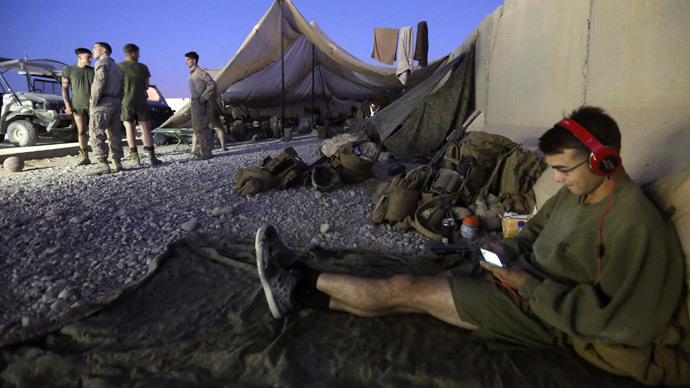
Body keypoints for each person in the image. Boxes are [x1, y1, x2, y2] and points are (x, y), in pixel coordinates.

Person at [254, 106, 687, 384]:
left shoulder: (634, 224)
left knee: (409, 288)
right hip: (519, 282)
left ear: (603, 160)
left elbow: (624, 324)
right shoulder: (579, 195)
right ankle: (298, 292)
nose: (556, 179)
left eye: (563, 168)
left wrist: (527, 285)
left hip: (544, 315)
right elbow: (533, 235)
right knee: (415, 282)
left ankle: (296, 279)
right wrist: (501, 252)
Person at [118, 43, 162, 166]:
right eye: (138, 53)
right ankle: (152, 157)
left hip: (126, 102)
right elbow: (147, 85)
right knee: (146, 130)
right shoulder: (143, 67)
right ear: (133, 53)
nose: (139, 55)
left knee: (130, 130)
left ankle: (134, 158)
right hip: (141, 102)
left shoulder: (119, 67)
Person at [86, 42, 125, 175]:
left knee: (96, 131)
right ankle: (117, 162)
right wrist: (118, 100)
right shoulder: (117, 68)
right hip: (115, 101)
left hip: (103, 102)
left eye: (94, 49)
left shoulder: (101, 64)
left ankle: (102, 163)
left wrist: (94, 101)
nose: (92, 51)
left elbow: (99, 83)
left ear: (103, 50)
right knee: (114, 133)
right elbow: (122, 88)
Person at [61, 48, 94, 166]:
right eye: (88, 57)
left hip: (93, 106)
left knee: (96, 131)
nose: (91, 59)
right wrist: (67, 104)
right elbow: (64, 88)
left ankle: (101, 155)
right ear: (79, 57)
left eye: (91, 57)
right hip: (78, 106)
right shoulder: (69, 70)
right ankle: (84, 156)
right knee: (81, 131)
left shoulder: (93, 71)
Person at [185, 51, 216, 160]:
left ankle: (207, 151)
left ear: (194, 60)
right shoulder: (192, 73)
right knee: (197, 127)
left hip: (200, 102)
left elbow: (212, 84)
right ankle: (203, 149)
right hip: (194, 102)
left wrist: (205, 96)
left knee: (202, 127)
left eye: (188, 60)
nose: (186, 62)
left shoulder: (199, 72)